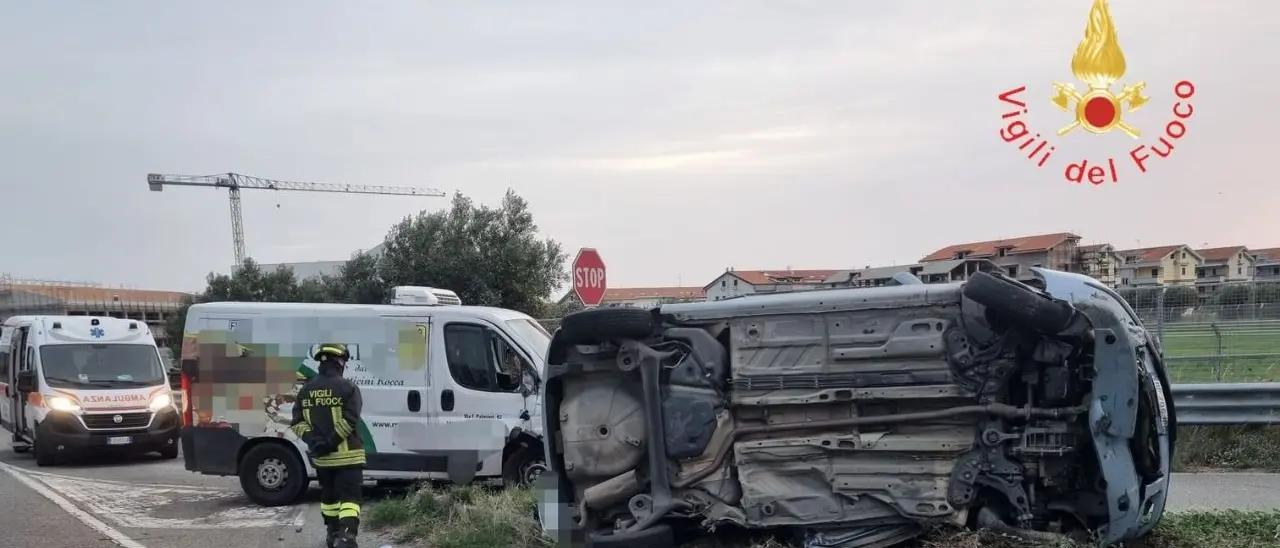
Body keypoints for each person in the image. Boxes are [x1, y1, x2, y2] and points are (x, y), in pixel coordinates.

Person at [290, 344, 365, 548]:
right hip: (348, 457)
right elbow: (350, 420)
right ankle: (346, 537)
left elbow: (296, 422)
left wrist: (314, 441)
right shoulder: (348, 388)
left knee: (329, 497)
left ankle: (332, 534)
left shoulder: (305, 390)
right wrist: (331, 441)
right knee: (350, 499)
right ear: (339, 361)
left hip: (323, 459)